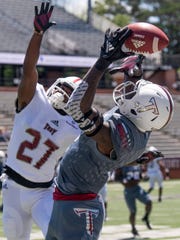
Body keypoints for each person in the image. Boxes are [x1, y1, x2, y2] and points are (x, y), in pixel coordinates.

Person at [45, 22, 174, 240]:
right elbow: (113, 153)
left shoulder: (120, 134)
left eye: (134, 92)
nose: (128, 90)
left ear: (141, 108)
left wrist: (103, 61)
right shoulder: (140, 126)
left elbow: (78, 108)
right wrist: (134, 66)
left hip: (79, 206)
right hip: (67, 200)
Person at [1, 2, 82, 240]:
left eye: (70, 93)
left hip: (43, 192)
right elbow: (29, 69)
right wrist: (37, 35)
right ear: (56, 84)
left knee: (60, 237)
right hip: (13, 189)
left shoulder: (74, 126)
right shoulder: (32, 98)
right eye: (64, 87)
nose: (64, 94)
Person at [117, 165, 152, 237]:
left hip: (137, 188)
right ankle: (133, 228)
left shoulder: (138, 163)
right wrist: (123, 182)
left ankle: (146, 217)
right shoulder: (123, 164)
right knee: (133, 212)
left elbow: (142, 173)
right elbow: (117, 176)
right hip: (128, 190)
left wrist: (144, 176)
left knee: (149, 201)